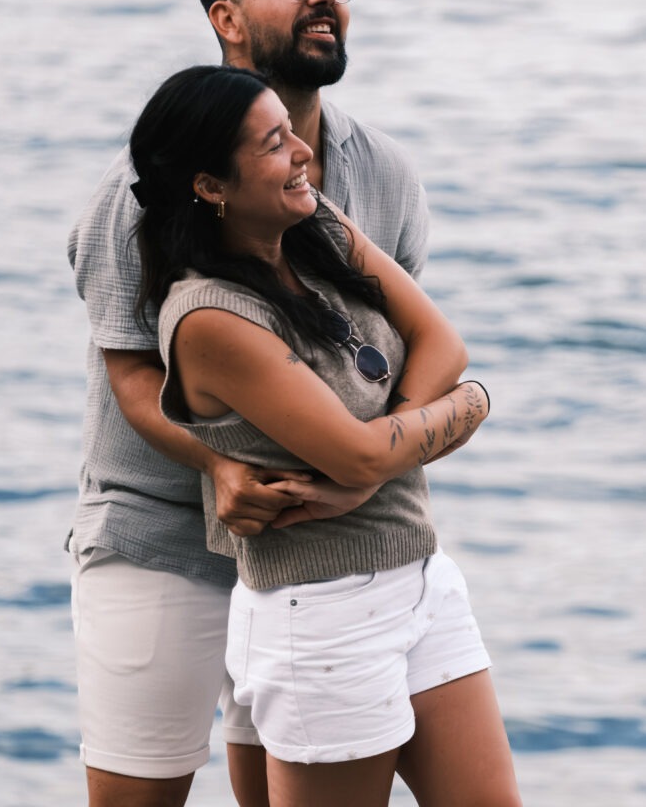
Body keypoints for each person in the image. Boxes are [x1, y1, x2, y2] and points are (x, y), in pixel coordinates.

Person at [67, 0, 436, 807]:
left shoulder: (380, 173)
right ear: (224, 17)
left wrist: (369, 471)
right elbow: (130, 372)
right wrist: (216, 461)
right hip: (157, 535)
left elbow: (414, 344)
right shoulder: (142, 187)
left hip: (308, 554)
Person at [128, 63, 522, 807]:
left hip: (419, 575)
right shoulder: (212, 318)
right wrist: (462, 408)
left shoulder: (316, 226)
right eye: (273, 144)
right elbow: (370, 444)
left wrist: (387, 452)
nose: (302, 152)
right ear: (210, 186)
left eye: (292, 130)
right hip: (323, 616)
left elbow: (441, 343)